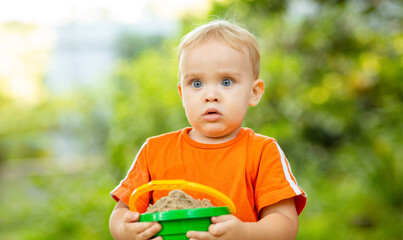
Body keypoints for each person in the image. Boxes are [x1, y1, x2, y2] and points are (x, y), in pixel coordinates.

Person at [109, 19, 307, 240]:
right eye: (196, 83)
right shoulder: (154, 151)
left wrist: (245, 233)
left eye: (226, 82)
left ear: (254, 92)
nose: (210, 95)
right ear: (182, 94)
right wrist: (125, 230)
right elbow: (120, 213)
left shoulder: (262, 152)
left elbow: (285, 224)